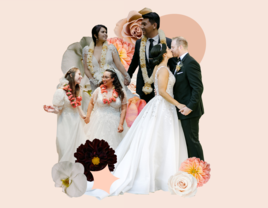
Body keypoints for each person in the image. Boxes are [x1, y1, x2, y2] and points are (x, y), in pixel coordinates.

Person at [84, 43, 188, 199]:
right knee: (161, 139)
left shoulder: (160, 68)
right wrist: (179, 104)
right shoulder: (164, 70)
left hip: (162, 107)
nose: (171, 50)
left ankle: (159, 174)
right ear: (164, 54)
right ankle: (158, 176)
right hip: (163, 106)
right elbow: (163, 92)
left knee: (156, 139)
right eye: (168, 49)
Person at [127, 11, 177, 103]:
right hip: (142, 86)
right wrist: (127, 78)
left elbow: (174, 66)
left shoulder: (168, 42)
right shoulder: (139, 43)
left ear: (154, 25)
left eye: (144, 24)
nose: (141, 27)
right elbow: (134, 63)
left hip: (160, 87)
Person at [171, 36, 205, 161]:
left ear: (180, 47)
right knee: (186, 142)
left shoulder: (190, 63)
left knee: (192, 141)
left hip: (189, 111)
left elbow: (198, 88)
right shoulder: (180, 62)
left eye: (173, 47)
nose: (171, 50)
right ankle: (191, 167)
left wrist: (190, 107)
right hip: (182, 109)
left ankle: (200, 169)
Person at [43, 67, 87, 163]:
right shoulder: (60, 91)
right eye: (79, 74)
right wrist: (51, 110)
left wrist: (83, 115)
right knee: (66, 148)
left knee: (79, 148)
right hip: (65, 123)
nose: (81, 77)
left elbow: (77, 105)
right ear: (71, 75)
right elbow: (57, 109)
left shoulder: (75, 91)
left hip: (76, 123)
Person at [82, 24, 136, 100]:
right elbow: (86, 69)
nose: (105, 34)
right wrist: (95, 81)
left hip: (113, 80)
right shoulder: (86, 50)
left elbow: (118, 64)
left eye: (106, 32)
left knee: (118, 101)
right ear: (95, 35)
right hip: (96, 83)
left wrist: (127, 77)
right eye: (103, 32)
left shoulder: (111, 48)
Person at [84, 67, 128, 150]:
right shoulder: (98, 90)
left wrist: (121, 124)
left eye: (106, 77)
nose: (104, 79)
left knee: (114, 147)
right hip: (98, 122)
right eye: (103, 77)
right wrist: (88, 116)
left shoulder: (121, 92)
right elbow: (91, 103)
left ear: (113, 79)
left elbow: (123, 109)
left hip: (114, 123)